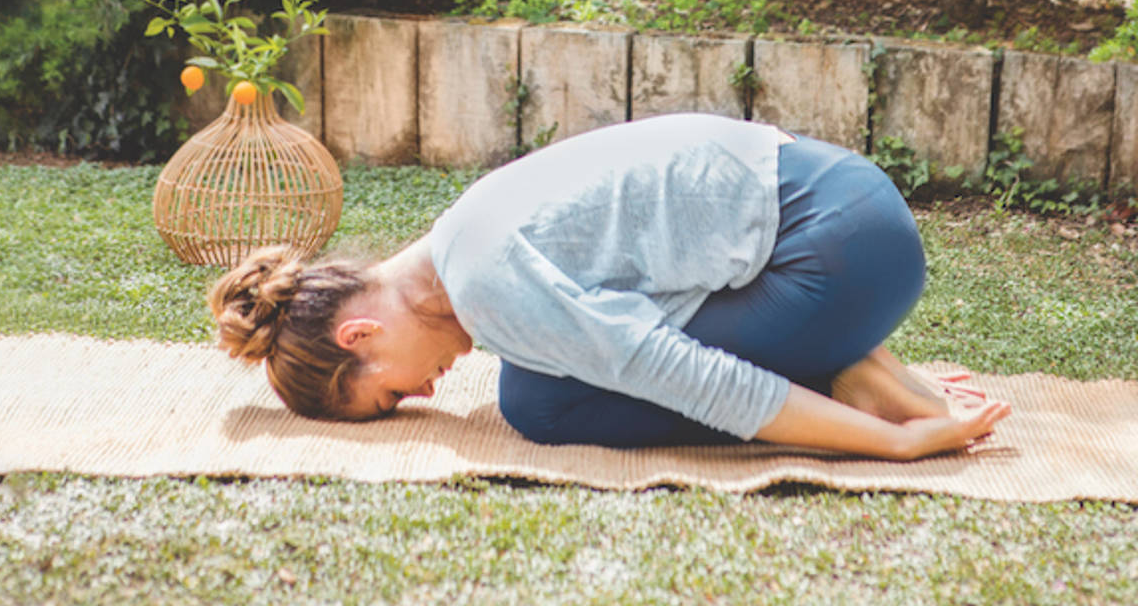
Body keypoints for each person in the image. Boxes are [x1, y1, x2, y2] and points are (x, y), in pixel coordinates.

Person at [209, 113, 1011, 460]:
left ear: (360, 337)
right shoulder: (459, 233)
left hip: (843, 254)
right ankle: (857, 361)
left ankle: (858, 383)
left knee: (541, 403)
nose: (422, 397)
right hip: (851, 205)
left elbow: (693, 378)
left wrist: (894, 444)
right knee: (539, 377)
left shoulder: (486, 284)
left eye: (388, 396)